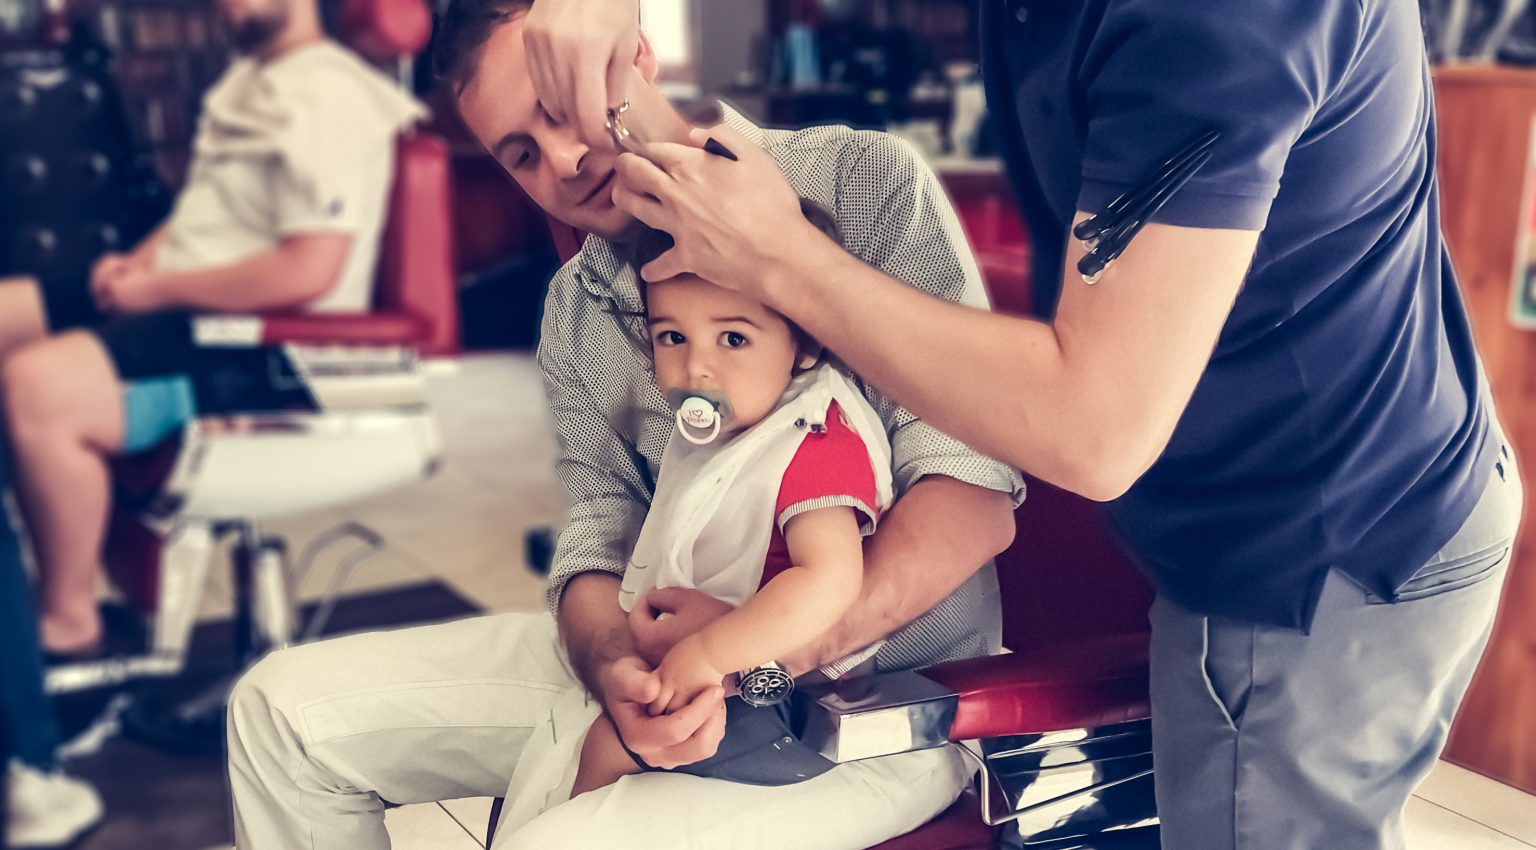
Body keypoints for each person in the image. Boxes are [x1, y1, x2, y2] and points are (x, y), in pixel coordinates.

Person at [523, 1, 1524, 848]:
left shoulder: (1214, 21)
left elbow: (1095, 429)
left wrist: (786, 261)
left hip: (1320, 546)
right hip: (1268, 488)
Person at [224, 1, 1025, 847]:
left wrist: (742, 660)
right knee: (281, 714)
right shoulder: (577, 311)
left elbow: (972, 498)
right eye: (522, 154)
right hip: (662, 653)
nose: (564, 161)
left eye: (560, 107)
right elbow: (598, 532)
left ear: (633, 54)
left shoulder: (858, 184)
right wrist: (614, 666)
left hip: (871, 701)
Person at [0, 0, 422, 659]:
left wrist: (155, 289)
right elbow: (209, 213)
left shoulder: (329, 94)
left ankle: (68, 621)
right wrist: (138, 262)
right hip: (182, 301)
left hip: (253, 344)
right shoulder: (253, 77)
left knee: (35, 386)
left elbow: (308, 269)